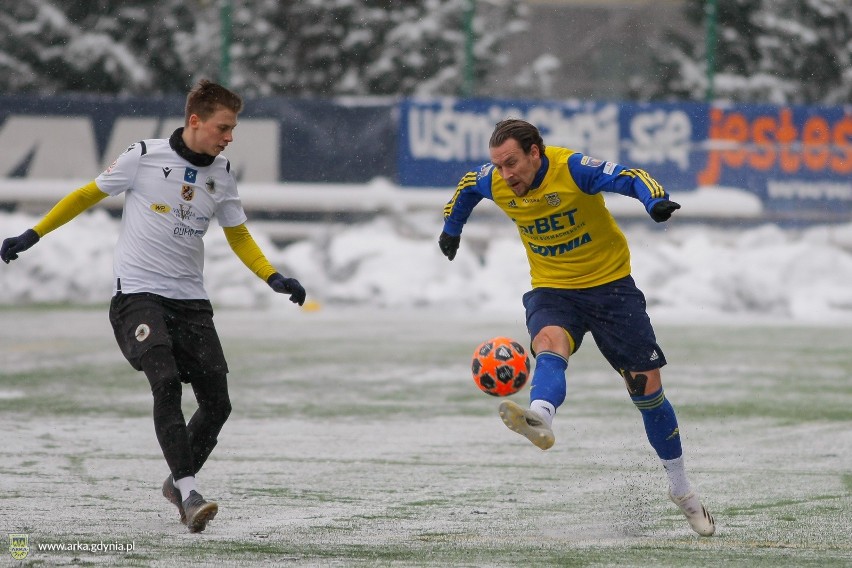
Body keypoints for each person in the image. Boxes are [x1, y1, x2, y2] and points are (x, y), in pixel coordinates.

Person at [0, 79, 306, 533]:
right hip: (138, 295)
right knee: (165, 384)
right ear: (195, 120)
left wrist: (272, 276)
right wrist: (34, 234)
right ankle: (187, 490)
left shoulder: (221, 173)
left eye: (233, 129)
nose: (229, 137)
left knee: (218, 404)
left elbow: (238, 234)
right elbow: (87, 194)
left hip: (191, 302)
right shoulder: (143, 155)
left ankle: (175, 482)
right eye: (224, 127)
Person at [438, 118, 715, 537]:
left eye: (512, 162)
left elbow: (627, 176)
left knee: (647, 389)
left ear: (536, 153)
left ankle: (681, 490)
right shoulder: (494, 180)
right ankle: (541, 416)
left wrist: (654, 201)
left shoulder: (571, 169)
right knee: (549, 342)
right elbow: (465, 188)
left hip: (611, 290)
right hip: (553, 290)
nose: (505, 174)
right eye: (498, 165)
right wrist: (450, 230)